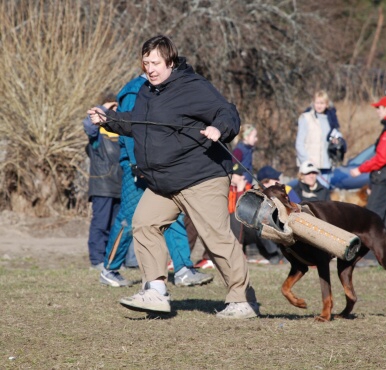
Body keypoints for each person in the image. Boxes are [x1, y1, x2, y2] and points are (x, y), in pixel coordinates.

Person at [87, 34, 258, 319]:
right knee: (143, 223)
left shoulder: (193, 87)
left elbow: (227, 112)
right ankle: (155, 291)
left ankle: (241, 300)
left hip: (201, 176)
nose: (150, 69)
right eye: (146, 63)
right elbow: (138, 123)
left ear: (170, 61)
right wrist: (109, 119)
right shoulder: (146, 91)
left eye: (155, 63)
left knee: (214, 237)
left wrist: (219, 129)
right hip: (165, 180)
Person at [99, 76, 213, 288]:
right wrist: (136, 164)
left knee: (172, 213)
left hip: (158, 165)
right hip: (137, 165)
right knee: (128, 218)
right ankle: (109, 269)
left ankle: (183, 270)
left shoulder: (161, 88)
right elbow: (131, 128)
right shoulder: (135, 90)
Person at [350, 95, 386, 266]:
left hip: (384, 178)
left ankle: (369, 257)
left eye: (379, 108)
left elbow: (382, 158)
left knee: (372, 217)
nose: (377, 111)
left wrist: (360, 169)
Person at [83, 95, 122, 270]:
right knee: (100, 224)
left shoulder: (122, 129)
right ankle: (97, 260)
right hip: (102, 185)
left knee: (117, 226)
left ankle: (112, 260)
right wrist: (103, 108)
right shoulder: (97, 131)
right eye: (112, 109)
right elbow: (88, 126)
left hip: (122, 185)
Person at [295, 90, 346, 187]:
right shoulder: (306, 118)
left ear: (326, 104)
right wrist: (307, 160)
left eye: (322, 103)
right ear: (313, 103)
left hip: (326, 164)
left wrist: (336, 141)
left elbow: (337, 136)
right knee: (309, 197)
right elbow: (299, 143)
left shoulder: (331, 119)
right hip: (310, 166)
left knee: (323, 197)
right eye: (317, 102)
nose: (319, 106)